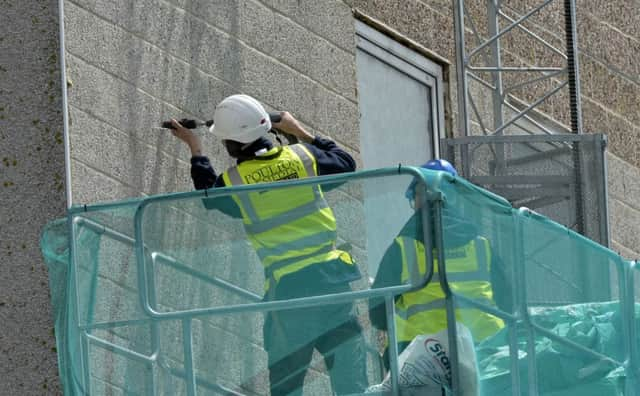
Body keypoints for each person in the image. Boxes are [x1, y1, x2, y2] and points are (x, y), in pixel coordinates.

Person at [170, 94, 368, 396]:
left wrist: (195, 147)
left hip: (289, 291)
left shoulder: (237, 182)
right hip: (333, 283)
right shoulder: (302, 157)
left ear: (234, 146)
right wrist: (298, 130)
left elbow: (208, 193)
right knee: (351, 382)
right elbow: (345, 163)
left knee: (287, 386)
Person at [368, 159, 511, 370]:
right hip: (484, 351)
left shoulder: (403, 247)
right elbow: (510, 303)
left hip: (418, 355)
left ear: (421, 196)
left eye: (415, 196)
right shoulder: (482, 245)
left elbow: (378, 314)